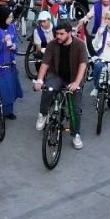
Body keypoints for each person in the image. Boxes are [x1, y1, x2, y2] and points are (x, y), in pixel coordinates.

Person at [33, 21, 89, 150]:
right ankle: (43, 114)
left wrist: (76, 82)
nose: (58, 36)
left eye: (61, 34)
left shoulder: (79, 45)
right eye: (57, 33)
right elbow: (45, 63)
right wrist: (40, 80)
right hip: (57, 75)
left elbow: (83, 65)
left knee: (75, 109)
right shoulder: (52, 44)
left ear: (69, 33)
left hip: (74, 78)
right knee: (47, 89)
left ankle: (76, 134)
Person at [0, 7, 23, 119]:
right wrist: (2, 41)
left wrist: (14, 46)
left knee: (11, 88)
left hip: (10, 64)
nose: (11, 19)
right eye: (9, 17)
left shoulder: (11, 27)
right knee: (0, 90)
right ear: (2, 18)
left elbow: (15, 40)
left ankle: (8, 111)